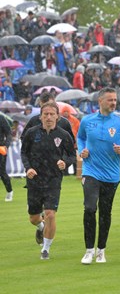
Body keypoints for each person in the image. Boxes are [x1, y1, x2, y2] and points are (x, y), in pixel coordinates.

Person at [77, 87, 120, 264]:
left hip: (111, 175)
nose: (113, 103)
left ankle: (101, 250)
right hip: (90, 171)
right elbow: (80, 138)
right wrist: (82, 151)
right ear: (100, 101)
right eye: (110, 100)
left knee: (105, 212)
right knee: (89, 208)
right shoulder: (87, 120)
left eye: (115, 100)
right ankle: (89, 250)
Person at [21, 102, 76, 259]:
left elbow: (72, 155)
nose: (49, 117)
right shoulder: (31, 133)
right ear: (41, 117)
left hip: (53, 181)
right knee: (33, 217)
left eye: (52, 114)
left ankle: (45, 249)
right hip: (34, 181)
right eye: (46, 114)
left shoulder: (63, 135)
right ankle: (40, 225)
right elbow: (24, 152)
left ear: (57, 116)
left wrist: (65, 162)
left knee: (50, 214)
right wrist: (28, 168)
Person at [0, 114, 13, 202]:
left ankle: (9, 191)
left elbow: (9, 133)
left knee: (2, 172)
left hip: (0, 148)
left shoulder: (1, 118)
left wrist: (6, 145)